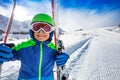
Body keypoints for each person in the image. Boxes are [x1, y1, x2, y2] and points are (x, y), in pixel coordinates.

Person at [0, 13, 69, 80]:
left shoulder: (53, 49)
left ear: (50, 32)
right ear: (32, 30)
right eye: (36, 27)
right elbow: (10, 54)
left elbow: (60, 58)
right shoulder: (24, 47)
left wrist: (64, 57)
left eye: (46, 28)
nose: (41, 32)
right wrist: (3, 52)